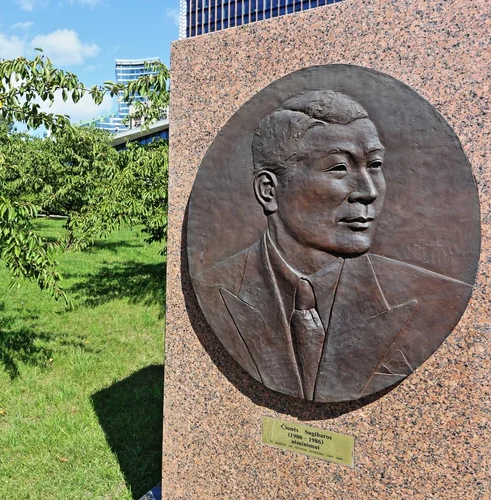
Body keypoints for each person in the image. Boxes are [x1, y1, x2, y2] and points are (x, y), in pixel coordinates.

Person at [192, 91, 471, 402]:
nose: (367, 191)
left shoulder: (435, 299)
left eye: (374, 165)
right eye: (339, 168)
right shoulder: (212, 287)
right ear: (269, 190)